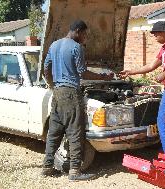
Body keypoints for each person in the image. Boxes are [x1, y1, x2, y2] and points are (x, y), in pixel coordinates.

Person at [42, 20, 113, 181]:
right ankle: (75, 171)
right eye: (85, 34)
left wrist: (53, 85)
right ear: (78, 31)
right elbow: (82, 73)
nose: (85, 38)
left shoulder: (54, 45)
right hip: (71, 94)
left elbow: (46, 69)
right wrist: (103, 77)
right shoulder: (76, 47)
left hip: (57, 93)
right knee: (75, 132)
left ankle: (47, 166)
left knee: (54, 131)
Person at [120, 21, 165, 153]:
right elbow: (151, 66)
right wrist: (131, 72)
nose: (154, 37)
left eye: (155, 34)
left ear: (163, 32)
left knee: (163, 122)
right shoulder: (164, 48)